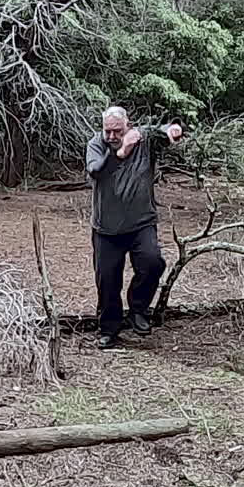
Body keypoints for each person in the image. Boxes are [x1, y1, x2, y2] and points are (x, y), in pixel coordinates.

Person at [85, 106, 184, 349]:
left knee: (153, 263)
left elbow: (167, 131)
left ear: (128, 125)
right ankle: (109, 328)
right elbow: (96, 172)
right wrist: (121, 150)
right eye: (107, 131)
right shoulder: (96, 145)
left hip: (141, 223)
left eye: (117, 131)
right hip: (106, 228)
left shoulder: (144, 139)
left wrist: (175, 129)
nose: (111, 136)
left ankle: (138, 310)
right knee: (107, 280)